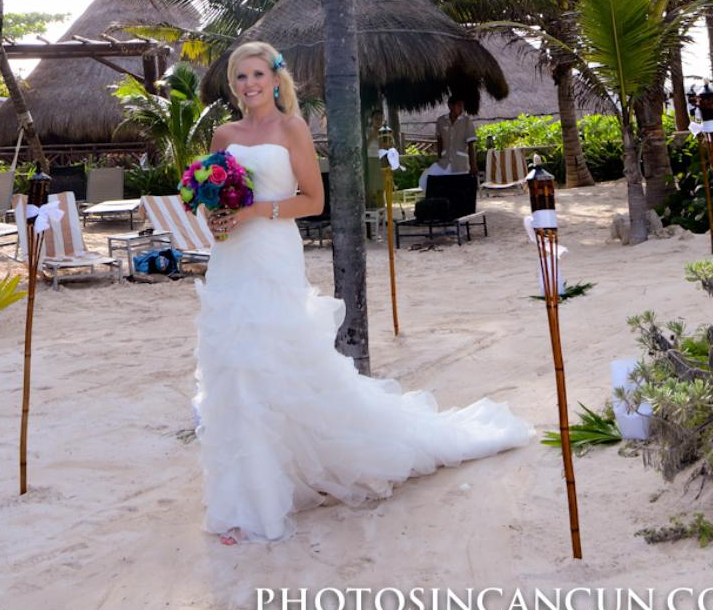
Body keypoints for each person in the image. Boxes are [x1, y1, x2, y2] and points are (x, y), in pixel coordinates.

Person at [193, 40, 533, 544]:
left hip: (271, 252)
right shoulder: (225, 133)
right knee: (235, 365)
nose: (249, 85)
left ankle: (265, 497)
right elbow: (212, 191)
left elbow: (313, 200)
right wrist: (214, 214)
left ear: (274, 77)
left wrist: (254, 212)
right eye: (240, 77)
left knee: (270, 358)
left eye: (257, 74)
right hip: (231, 258)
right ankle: (246, 496)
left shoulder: (292, 129)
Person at [433, 96, 479, 177]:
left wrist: (473, 165)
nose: (461, 109)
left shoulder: (466, 121)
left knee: (459, 188)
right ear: (450, 106)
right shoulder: (441, 121)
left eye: (462, 106)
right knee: (427, 179)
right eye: (459, 105)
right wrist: (439, 158)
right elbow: (439, 142)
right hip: (444, 163)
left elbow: (471, 145)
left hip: (461, 164)